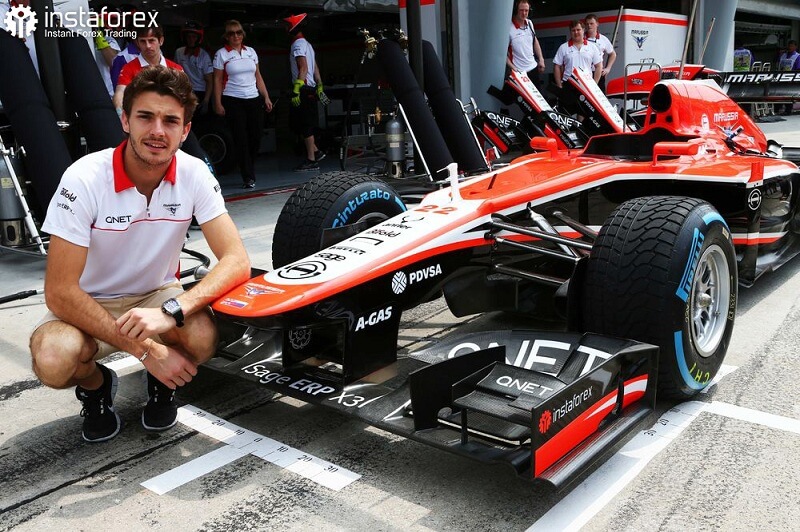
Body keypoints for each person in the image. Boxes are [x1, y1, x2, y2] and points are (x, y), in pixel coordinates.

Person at [29, 66, 251, 443]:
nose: (157, 131)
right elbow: (60, 292)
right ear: (125, 121)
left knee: (202, 336)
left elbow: (236, 260)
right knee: (53, 359)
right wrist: (148, 352)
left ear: (185, 131)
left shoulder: (195, 173)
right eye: (146, 117)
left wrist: (172, 310)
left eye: (171, 121)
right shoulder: (84, 178)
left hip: (155, 294)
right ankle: (97, 386)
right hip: (88, 303)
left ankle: (163, 383)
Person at [213, 20, 273, 188]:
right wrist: (217, 102)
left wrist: (266, 97)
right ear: (226, 36)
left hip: (253, 98)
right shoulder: (221, 54)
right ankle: (248, 176)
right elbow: (217, 79)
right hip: (233, 99)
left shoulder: (251, 52)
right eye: (231, 33)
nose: (235, 36)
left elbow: (258, 76)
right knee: (240, 138)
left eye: (238, 32)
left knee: (256, 135)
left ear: (243, 34)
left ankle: (248, 167)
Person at [284, 13, 329, 172]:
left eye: (287, 26)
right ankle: (316, 152)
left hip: (303, 89)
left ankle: (311, 160)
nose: (285, 29)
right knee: (300, 123)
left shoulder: (297, 45)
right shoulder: (308, 44)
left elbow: (303, 67)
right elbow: (315, 67)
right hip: (310, 88)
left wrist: (296, 90)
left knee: (305, 125)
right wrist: (320, 85)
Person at [112, 24, 183, 116]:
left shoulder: (176, 69)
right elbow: (120, 92)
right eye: (143, 41)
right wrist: (120, 113)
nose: (148, 46)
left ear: (161, 41)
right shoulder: (128, 68)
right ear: (137, 43)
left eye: (151, 40)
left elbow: (185, 97)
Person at [553, 20, 602, 115]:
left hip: (586, 85)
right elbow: (556, 66)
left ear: (583, 30)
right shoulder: (563, 47)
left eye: (578, 30)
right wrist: (559, 85)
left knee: (584, 114)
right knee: (566, 113)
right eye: (573, 30)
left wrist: (594, 84)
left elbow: (599, 66)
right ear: (570, 32)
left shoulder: (592, 47)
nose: (576, 32)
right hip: (569, 85)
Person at [174, 20, 213, 114]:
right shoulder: (179, 52)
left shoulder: (204, 56)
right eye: (188, 37)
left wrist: (206, 100)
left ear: (198, 38)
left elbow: (209, 80)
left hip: (200, 92)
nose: (191, 39)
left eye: (194, 37)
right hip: (184, 91)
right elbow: (175, 73)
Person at [506, 0, 546, 90]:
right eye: (521, 10)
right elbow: (503, 53)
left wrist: (541, 59)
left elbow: (535, 41)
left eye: (526, 11)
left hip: (533, 68)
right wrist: (513, 68)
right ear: (516, 10)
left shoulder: (530, 23)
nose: (524, 13)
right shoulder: (509, 28)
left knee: (537, 96)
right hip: (519, 72)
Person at [584, 13, 616, 93]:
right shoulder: (581, 38)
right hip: (584, 73)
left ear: (597, 24)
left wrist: (608, 68)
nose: (589, 26)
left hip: (598, 71)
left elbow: (613, 54)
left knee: (599, 96)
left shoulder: (603, 39)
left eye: (591, 23)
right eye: (587, 24)